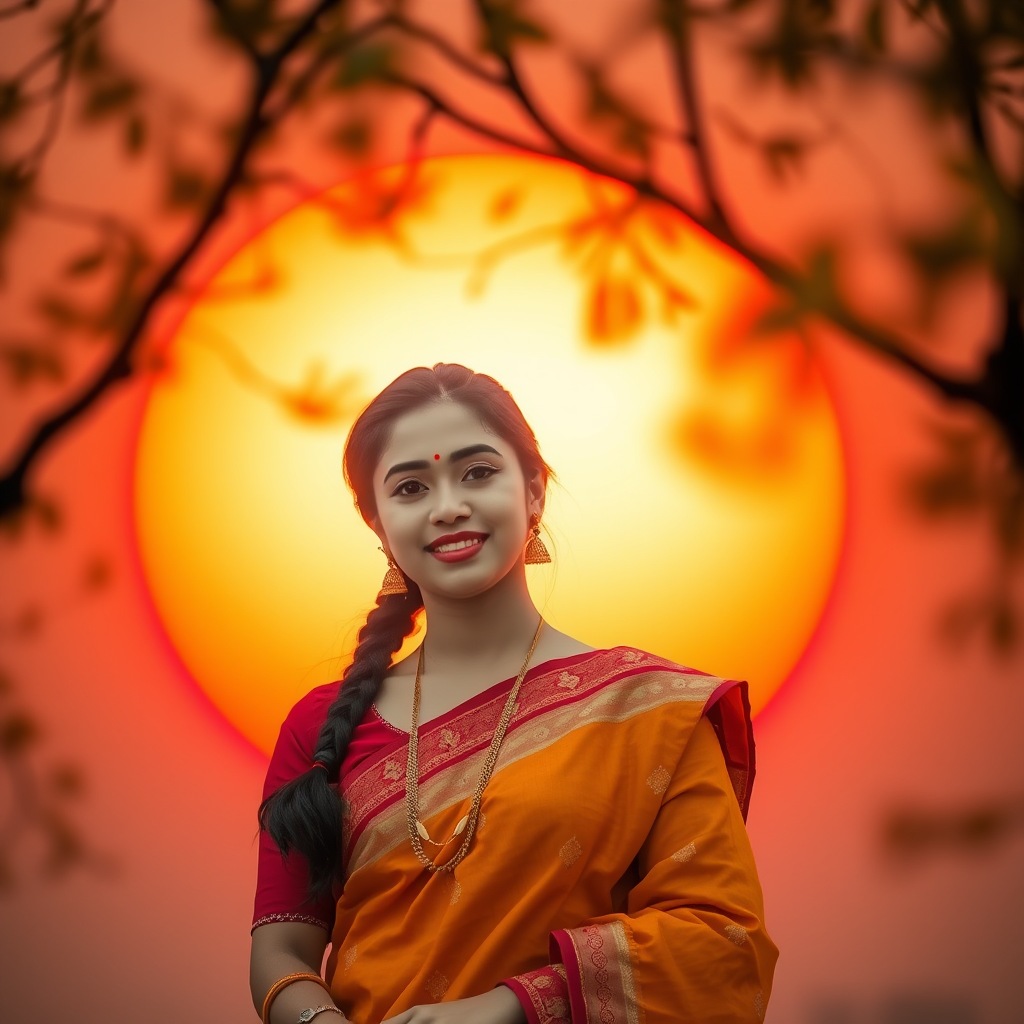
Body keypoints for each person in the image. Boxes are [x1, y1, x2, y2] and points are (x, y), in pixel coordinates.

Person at [250, 362, 779, 1024]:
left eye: (477, 473)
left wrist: (513, 1009)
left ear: (533, 491)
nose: (449, 506)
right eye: (412, 486)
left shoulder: (650, 711)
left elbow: (719, 942)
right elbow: (282, 949)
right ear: (376, 522)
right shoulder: (322, 725)